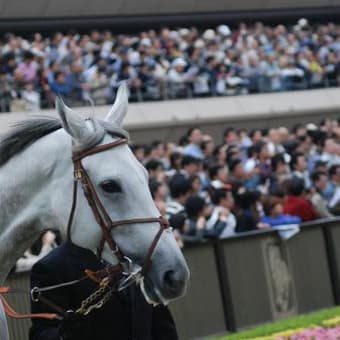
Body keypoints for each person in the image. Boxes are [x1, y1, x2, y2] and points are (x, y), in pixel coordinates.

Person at [29, 242, 178, 340]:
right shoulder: (52, 267)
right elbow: (41, 334)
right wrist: (63, 335)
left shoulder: (136, 251)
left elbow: (161, 323)